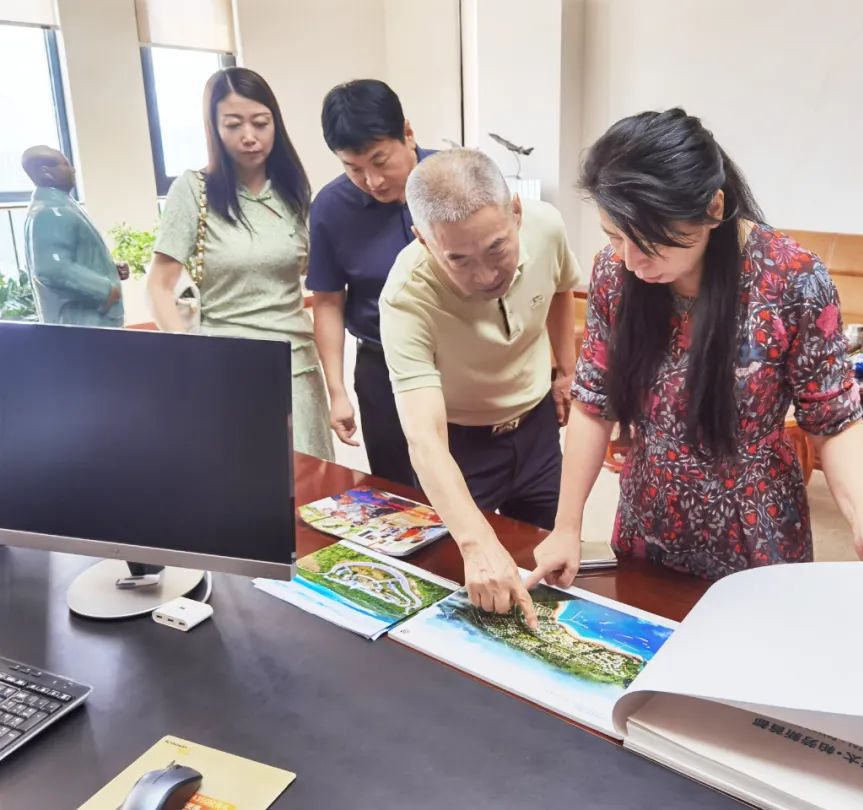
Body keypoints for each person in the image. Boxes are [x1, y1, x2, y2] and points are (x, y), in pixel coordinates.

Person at [526, 109, 863, 591]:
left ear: (713, 208)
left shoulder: (792, 279)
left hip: (757, 525)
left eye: (650, 242)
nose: (630, 261)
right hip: (649, 516)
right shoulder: (615, 273)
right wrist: (567, 526)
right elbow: (593, 403)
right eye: (615, 236)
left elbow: (833, 420)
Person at [380, 148, 580, 626]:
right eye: (459, 260)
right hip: (461, 448)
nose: (487, 275)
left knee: (549, 571)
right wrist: (476, 543)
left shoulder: (546, 226)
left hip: (536, 429)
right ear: (424, 241)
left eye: (497, 249)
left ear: (516, 212)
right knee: (465, 588)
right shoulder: (405, 298)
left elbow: (560, 288)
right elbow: (425, 440)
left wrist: (566, 371)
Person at [147, 67, 334, 461]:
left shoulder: (293, 192)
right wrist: (187, 354)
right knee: (240, 481)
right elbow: (159, 285)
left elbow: (312, 276)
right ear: (214, 128)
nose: (249, 136)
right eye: (233, 125)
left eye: (260, 123)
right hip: (225, 370)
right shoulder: (193, 190)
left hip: (297, 368)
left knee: (310, 484)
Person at [307, 80, 435, 484]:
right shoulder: (331, 208)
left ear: (407, 133)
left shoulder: (455, 179)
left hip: (459, 360)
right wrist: (337, 390)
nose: (373, 181)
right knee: (399, 490)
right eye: (354, 168)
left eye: (380, 161)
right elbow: (328, 301)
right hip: (383, 368)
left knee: (472, 484)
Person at [21, 146, 128, 326]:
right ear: (46, 172)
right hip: (82, 323)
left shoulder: (60, 206)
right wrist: (105, 289)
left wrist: (109, 270)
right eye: (66, 165)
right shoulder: (51, 212)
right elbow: (52, 269)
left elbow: (71, 259)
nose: (73, 170)